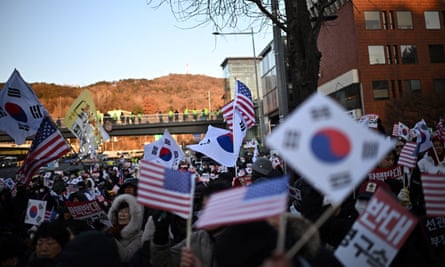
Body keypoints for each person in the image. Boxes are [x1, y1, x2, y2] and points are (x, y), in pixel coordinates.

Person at [107, 194, 144, 265]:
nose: (122, 215)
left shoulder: (139, 236)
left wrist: (110, 237)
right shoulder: (109, 229)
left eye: (126, 212)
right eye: (120, 211)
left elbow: (126, 257)